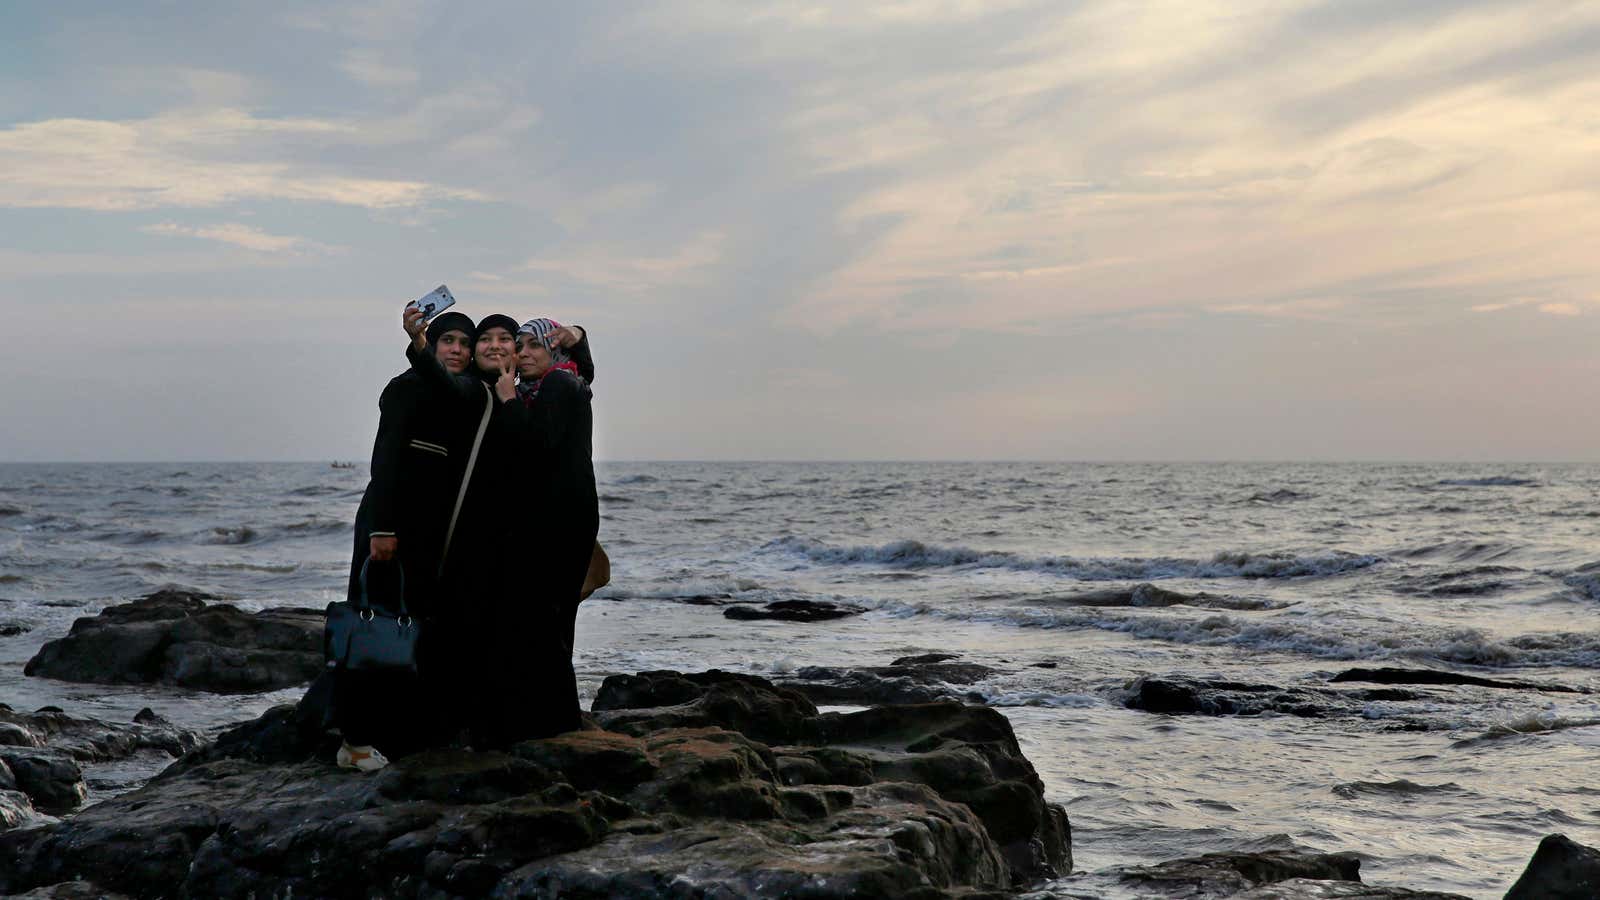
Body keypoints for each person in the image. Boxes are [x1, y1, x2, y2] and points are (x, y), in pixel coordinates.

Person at [401, 309, 597, 745]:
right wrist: (419, 346)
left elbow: (536, 446)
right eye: (518, 344)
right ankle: (535, 719)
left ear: (551, 350)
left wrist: (509, 396)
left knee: (547, 625)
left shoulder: (557, 384)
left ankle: (553, 724)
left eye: (529, 345)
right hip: (537, 529)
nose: (521, 352)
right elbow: (447, 382)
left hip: (559, 527)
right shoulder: (539, 385)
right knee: (535, 627)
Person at [334, 310, 477, 772]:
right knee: (372, 626)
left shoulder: (462, 393)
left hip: (429, 535)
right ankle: (353, 741)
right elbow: (387, 460)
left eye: (464, 342)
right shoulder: (406, 388)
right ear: (431, 345)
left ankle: (395, 734)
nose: (457, 349)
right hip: (389, 529)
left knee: (411, 631)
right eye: (447, 340)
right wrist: (381, 528)